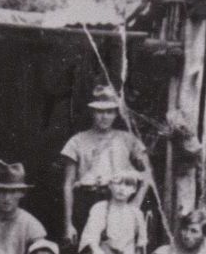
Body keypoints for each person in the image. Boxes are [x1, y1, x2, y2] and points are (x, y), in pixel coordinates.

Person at [61, 85, 148, 245]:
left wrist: (135, 204)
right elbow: (68, 184)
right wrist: (68, 223)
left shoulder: (127, 139)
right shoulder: (77, 141)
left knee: (116, 248)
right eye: (100, 112)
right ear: (92, 112)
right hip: (86, 201)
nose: (104, 117)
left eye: (109, 112)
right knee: (88, 249)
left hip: (118, 200)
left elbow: (147, 174)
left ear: (116, 113)